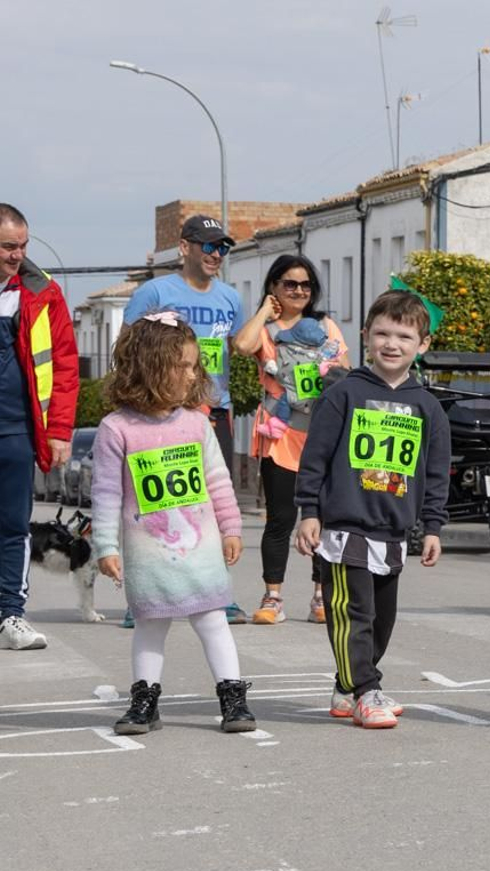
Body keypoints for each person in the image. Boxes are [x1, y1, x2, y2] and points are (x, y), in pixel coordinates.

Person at [89, 313, 253, 735]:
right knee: (149, 624)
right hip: (148, 555)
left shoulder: (197, 423)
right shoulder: (116, 429)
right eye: (181, 366)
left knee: (213, 621)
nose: (192, 374)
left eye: (194, 365)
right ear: (149, 367)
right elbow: (106, 493)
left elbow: (218, 480)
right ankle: (144, 701)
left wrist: (231, 528)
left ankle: (233, 697)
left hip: (201, 551)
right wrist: (105, 546)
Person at [293, 291, 449, 729]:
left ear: (423, 344)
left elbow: (436, 472)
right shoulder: (343, 394)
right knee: (352, 615)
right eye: (382, 333)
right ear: (365, 336)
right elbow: (315, 458)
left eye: (404, 336)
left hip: (393, 531)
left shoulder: (428, 407)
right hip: (345, 528)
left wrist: (433, 527)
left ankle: (347, 688)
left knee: (381, 622)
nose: (391, 344)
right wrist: (309, 512)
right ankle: (365, 689)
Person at [122, 214, 249, 625]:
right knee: (154, 504)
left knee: (211, 503)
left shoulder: (230, 298)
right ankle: (141, 597)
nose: (217, 254)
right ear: (184, 248)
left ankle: (217, 593)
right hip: (161, 411)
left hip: (213, 410)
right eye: (208, 246)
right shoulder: (155, 292)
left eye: (222, 247)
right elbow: (127, 349)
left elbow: (240, 348)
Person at [236, 256, 349, 626]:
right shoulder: (266, 331)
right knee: (280, 519)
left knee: (322, 519)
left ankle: (320, 597)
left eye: (305, 285)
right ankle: (273, 597)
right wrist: (264, 312)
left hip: (322, 436)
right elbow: (242, 345)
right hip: (281, 436)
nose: (299, 291)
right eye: (289, 284)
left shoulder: (326, 326)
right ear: (274, 287)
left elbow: (345, 372)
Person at [0, 203, 80, 651]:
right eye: (8, 247)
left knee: (14, 527)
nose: (18, 255)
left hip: (17, 430)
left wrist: (60, 431)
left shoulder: (42, 292)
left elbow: (65, 365)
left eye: (22, 245)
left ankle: (10, 615)